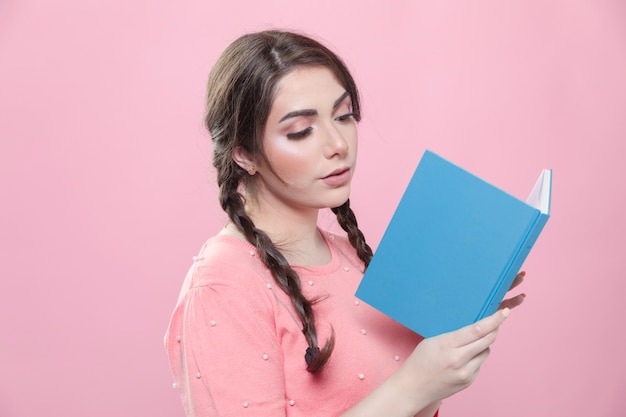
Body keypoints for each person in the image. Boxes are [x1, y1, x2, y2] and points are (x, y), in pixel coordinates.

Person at [164, 29, 526, 417]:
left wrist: (450, 338)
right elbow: (406, 392)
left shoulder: (352, 256)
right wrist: (416, 383)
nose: (338, 143)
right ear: (244, 155)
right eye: (301, 130)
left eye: (344, 115)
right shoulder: (222, 285)